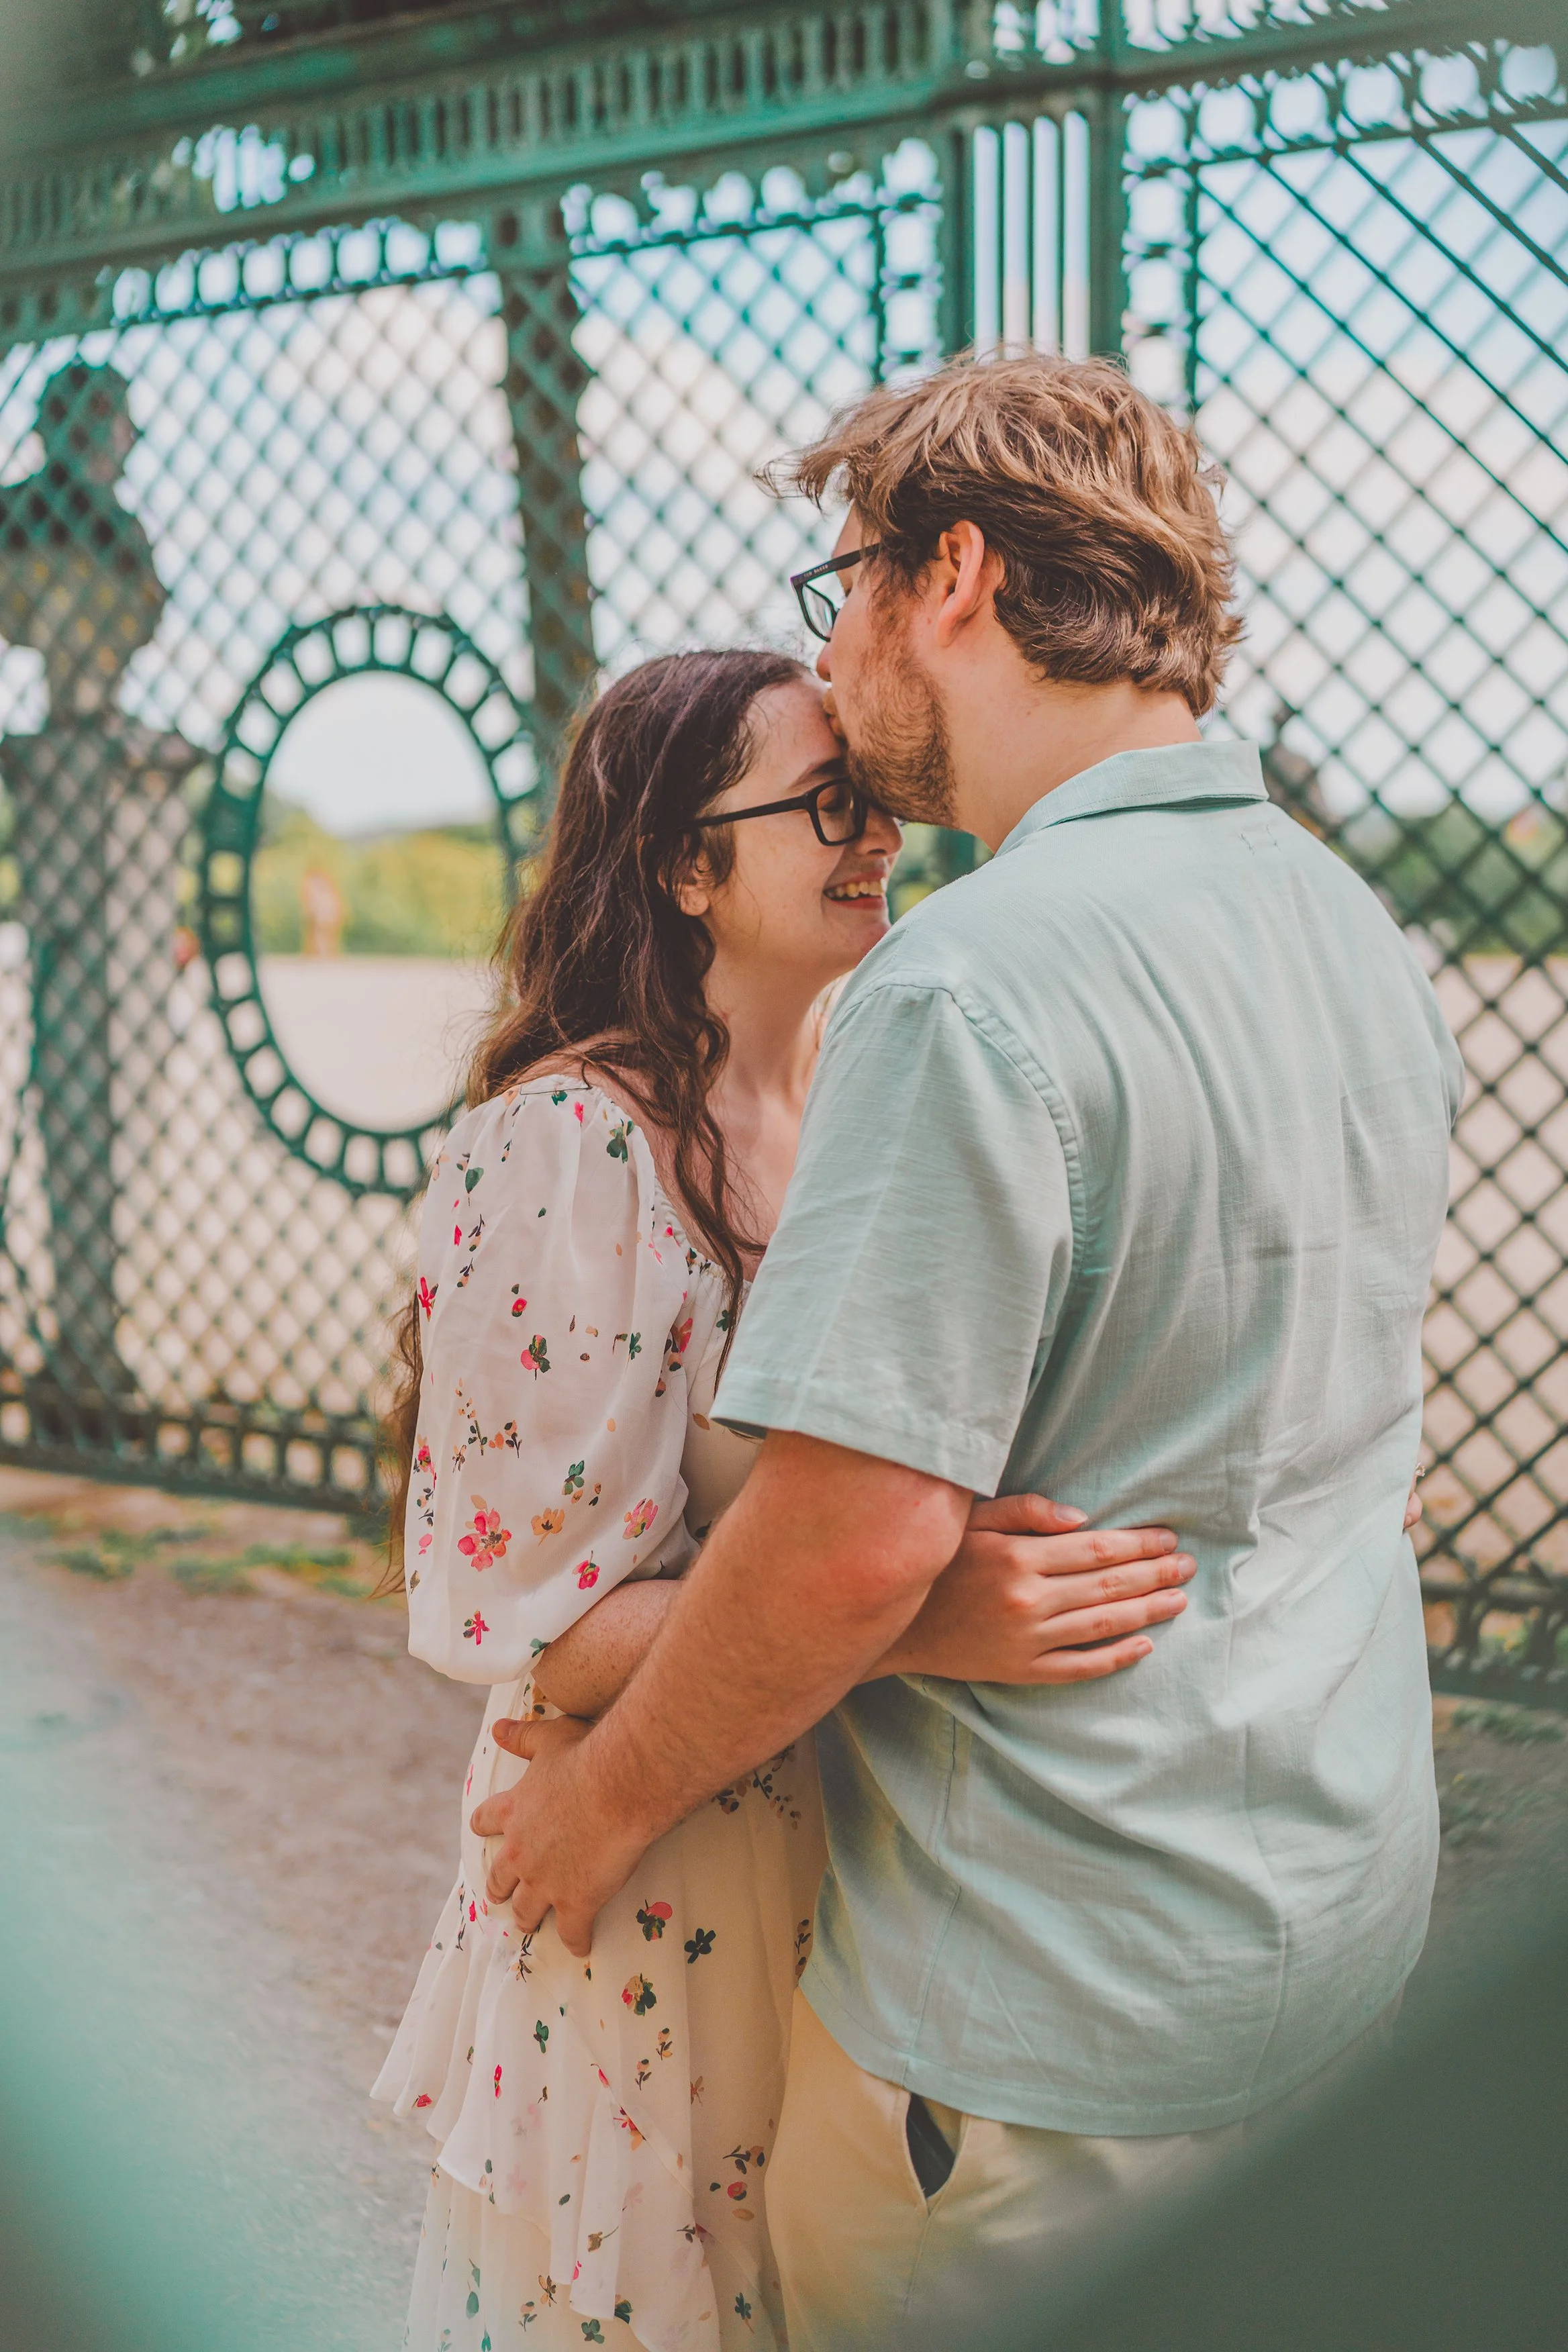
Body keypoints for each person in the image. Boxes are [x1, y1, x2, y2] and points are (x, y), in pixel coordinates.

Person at [473, 354, 1464, 2351]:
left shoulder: (970, 980)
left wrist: (603, 1801)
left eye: (841, 585)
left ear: (954, 572)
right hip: (1336, 1940)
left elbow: (850, 1549)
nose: (832, 659)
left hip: (1035, 2032)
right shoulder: (1346, 924)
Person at [375, 645, 1197, 2351]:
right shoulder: (567, 1148)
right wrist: (921, 1612)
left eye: (877, 799)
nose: (874, 836)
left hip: (849, 1872)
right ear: (685, 864)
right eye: (821, 805)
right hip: (651, 1885)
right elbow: (531, 1623)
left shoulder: (857, 1116)